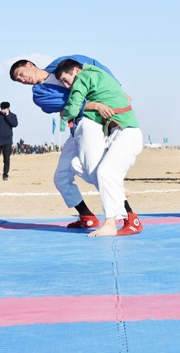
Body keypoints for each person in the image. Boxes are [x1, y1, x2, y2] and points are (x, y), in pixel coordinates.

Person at [9, 55, 136, 229]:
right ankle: (87, 216)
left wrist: (117, 90)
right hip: (77, 127)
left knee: (95, 168)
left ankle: (129, 216)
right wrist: (97, 105)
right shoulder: (39, 94)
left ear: (30, 64)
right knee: (61, 177)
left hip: (92, 124)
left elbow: (96, 68)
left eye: (22, 74)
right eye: (19, 80)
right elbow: (70, 106)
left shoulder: (62, 63)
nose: (23, 80)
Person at [54, 59, 143, 237]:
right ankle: (116, 189)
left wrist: (65, 112)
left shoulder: (82, 77)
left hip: (127, 133)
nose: (66, 85)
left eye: (66, 79)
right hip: (116, 135)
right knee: (76, 164)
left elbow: (72, 107)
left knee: (104, 172)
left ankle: (112, 223)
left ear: (76, 71)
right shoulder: (99, 73)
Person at [0, 101, 18, 181]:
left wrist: (7, 116)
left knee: (6, 159)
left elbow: (15, 124)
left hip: (7, 141)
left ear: (8, 108)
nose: (2, 110)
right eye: (2, 109)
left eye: (4, 109)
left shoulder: (13, 116)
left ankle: (5, 175)